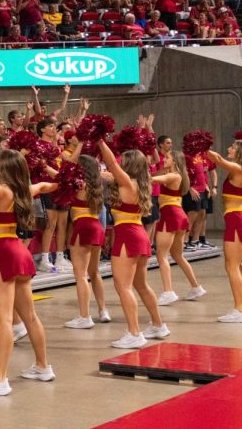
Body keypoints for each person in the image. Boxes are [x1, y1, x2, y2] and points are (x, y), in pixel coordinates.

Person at [0, 149, 54, 395]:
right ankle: (43, 366)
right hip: (20, 252)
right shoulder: (24, 190)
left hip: (4, 253)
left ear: (3, 168)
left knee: (3, 320)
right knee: (31, 317)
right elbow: (46, 185)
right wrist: (67, 179)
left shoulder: (2, 190)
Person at [99, 142, 169, 349]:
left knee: (123, 287)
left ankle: (134, 332)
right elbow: (111, 173)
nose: (119, 162)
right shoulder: (138, 183)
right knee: (140, 284)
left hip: (127, 235)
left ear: (128, 164)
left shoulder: (127, 183)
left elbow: (110, 162)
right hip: (139, 234)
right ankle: (158, 325)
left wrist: (100, 140)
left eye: (123, 161)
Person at [63, 154, 110, 329]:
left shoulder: (78, 184)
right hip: (96, 227)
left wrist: (45, 167)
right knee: (94, 272)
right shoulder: (95, 184)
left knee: (81, 275)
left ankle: (84, 316)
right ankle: (103, 310)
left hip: (82, 226)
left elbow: (59, 177)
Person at [152, 150, 204, 304]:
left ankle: (168, 292)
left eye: (167, 157)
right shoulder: (179, 175)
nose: (164, 159)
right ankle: (196, 287)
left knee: (161, 255)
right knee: (177, 256)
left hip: (170, 215)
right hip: (178, 215)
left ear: (175, 161)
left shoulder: (174, 175)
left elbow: (154, 179)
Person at [205, 140, 242, 323]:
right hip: (236, 218)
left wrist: (203, 147)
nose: (229, 148)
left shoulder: (237, 168)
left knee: (232, 266)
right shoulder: (236, 171)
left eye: (233, 147)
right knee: (238, 266)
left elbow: (218, 159)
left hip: (236, 220)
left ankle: (239, 309)